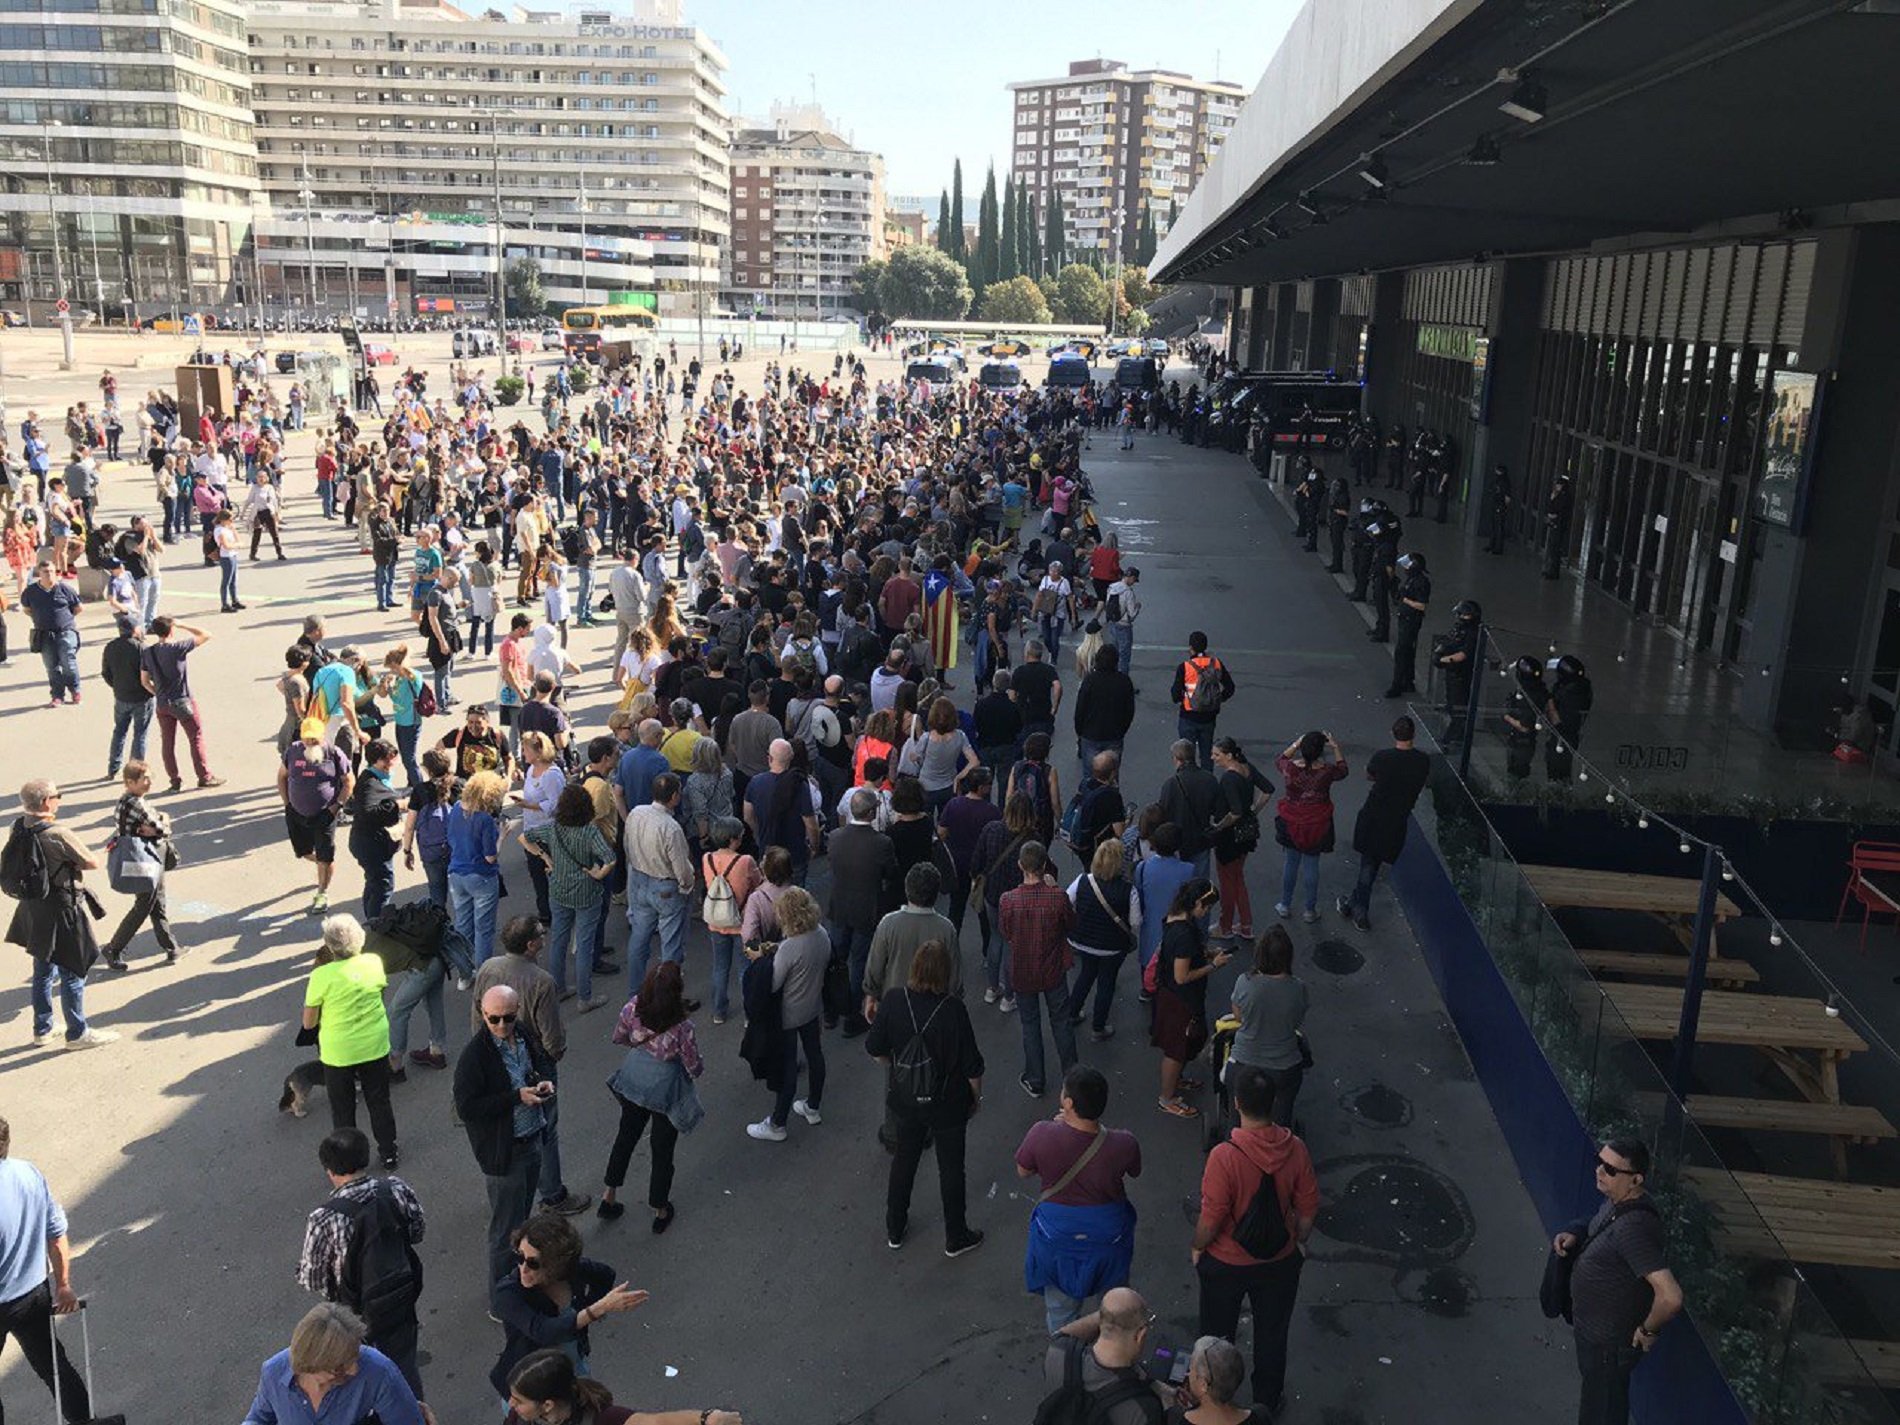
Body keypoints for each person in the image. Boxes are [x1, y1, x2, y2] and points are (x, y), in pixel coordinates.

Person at [1192, 1065, 1320, 1417]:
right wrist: (1298, 1242)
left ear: (1236, 1103)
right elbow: (1308, 1207)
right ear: (1275, 1102)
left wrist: (1198, 1247)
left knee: (1216, 1338)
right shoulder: (1296, 1149)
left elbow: (1211, 1218)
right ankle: (1266, 1400)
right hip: (1279, 1264)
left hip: (1226, 1263)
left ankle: (1216, 1399)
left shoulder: (1224, 1156)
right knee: (1272, 1334)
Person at [863, 938, 985, 1255]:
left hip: (906, 1098)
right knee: (951, 1168)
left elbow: (874, 1048)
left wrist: (897, 1065)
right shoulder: (954, 1010)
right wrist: (975, 1100)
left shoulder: (893, 1000)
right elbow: (972, 1065)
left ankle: (895, 1226)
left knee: (904, 1161)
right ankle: (956, 1235)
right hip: (948, 1103)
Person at [1552, 1138, 1685, 1425]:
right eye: (1599, 1162)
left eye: (1611, 1170)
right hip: (1594, 1338)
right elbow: (1600, 1227)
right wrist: (1577, 1232)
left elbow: (1671, 1297)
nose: (1600, 1171)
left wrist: (1648, 1331)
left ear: (1636, 1180)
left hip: (1607, 1348)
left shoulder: (1633, 1229)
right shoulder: (1616, 1202)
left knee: (1602, 1413)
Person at [296, 1128, 426, 1398]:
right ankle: (414, 1410)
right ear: (365, 1157)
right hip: (401, 1296)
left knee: (357, 1372)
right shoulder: (395, 1189)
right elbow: (417, 1232)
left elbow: (314, 1279)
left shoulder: (324, 1218)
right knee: (404, 1365)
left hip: (352, 1311)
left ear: (329, 1170)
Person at [1016, 1064, 1142, 1334]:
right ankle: (1115, 1356)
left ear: (1068, 1103)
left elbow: (1023, 1170)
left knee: (1062, 1313)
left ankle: (1065, 1360)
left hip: (1059, 1241)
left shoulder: (1041, 1133)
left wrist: (1058, 1130)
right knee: (1115, 1308)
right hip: (1110, 1240)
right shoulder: (1124, 1143)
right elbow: (1134, 1170)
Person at [456, 982, 560, 1303]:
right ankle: (502, 1300)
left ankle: (522, 1280)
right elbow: (468, 1107)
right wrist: (515, 1097)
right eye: (494, 1019)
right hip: (506, 1152)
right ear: (483, 1015)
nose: (502, 1025)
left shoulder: (523, 1033)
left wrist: (543, 1080)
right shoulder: (475, 1056)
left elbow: (542, 1061)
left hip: (531, 1139)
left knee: (522, 1223)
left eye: (508, 1017)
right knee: (505, 1233)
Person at [0, 1115, 108, 1422]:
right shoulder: (28, 1173)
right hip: (33, 1295)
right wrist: (63, 1284)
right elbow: (56, 1233)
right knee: (55, 1370)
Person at [490, 1212, 648, 1400]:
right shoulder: (508, 1292)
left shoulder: (573, 1271)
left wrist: (589, 1308)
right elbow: (543, 1331)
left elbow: (605, 1275)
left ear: (555, 1265)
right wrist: (595, 1309)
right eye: (520, 1256)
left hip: (572, 1365)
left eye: (533, 1263)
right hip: (531, 1385)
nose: (523, 1268)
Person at [7, 780, 116, 1048]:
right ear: (45, 802)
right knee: (72, 969)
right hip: (62, 907)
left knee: (43, 968)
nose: (59, 800)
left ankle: (42, 1028)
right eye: (57, 795)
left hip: (33, 905)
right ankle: (77, 1032)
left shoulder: (18, 826)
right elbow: (91, 862)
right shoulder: (58, 833)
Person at [600, 961, 704, 1230]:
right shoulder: (683, 1026)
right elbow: (694, 1066)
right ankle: (659, 1208)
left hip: (634, 1079)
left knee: (626, 1137)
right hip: (665, 1089)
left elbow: (620, 1037)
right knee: (662, 1149)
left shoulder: (633, 1007)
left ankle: (609, 1195)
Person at [302, 914, 400, 1169]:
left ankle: (349, 1162)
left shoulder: (320, 976)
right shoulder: (374, 963)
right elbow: (379, 990)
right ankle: (389, 1152)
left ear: (329, 945)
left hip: (338, 1052)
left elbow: (308, 1023)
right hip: (374, 1044)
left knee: (343, 1110)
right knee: (379, 1101)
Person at [239, 1302, 425, 1425]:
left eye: (355, 1355)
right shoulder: (273, 1373)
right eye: (340, 1367)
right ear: (311, 1365)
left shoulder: (379, 1371)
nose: (354, 1370)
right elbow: (260, 1417)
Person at [744, 885, 830, 1143]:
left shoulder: (790, 947)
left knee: (788, 1068)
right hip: (813, 1007)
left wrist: (760, 958)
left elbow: (772, 984)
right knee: (815, 1056)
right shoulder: (822, 934)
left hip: (788, 1014)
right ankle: (813, 1106)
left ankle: (778, 1122)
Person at [526, 782, 615, 1012]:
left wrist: (545, 857)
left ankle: (559, 988)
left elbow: (525, 837)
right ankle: (585, 998)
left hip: (558, 889)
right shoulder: (590, 831)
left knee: (559, 940)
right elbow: (610, 857)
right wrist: (598, 873)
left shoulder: (553, 828)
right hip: (587, 891)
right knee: (584, 945)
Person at [1337, 716, 1431, 932]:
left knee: (1368, 865)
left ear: (1393, 733)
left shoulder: (1383, 758)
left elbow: (1370, 774)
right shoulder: (1422, 761)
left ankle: (1359, 909)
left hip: (1374, 815)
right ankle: (1353, 903)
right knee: (1373, 863)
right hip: (1396, 820)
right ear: (1413, 735)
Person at [1001, 840, 1078, 1099]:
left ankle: (1035, 1079)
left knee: (1030, 1024)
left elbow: (1006, 932)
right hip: (1053, 968)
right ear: (1044, 865)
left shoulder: (1008, 900)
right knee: (1061, 1022)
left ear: (1021, 865)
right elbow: (1070, 924)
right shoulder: (1058, 898)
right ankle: (1072, 1076)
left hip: (1023, 971)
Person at [503, 1348, 743, 1425]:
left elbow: (653, 1422)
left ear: (547, 1404)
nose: (511, 1404)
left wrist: (707, 1418)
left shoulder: (602, 1418)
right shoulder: (518, 1418)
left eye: (519, 1399)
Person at [1153, 878, 1229, 1119]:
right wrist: (1213, 966)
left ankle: (1177, 1080)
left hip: (1171, 996)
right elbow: (1182, 976)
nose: (1206, 912)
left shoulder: (1175, 918)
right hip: (1181, 1000)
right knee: (1177, 1049)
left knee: (1184, 1043)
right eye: (1205, 907)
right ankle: (1167, 1098)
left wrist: (1205, 953)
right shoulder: (1185, 933)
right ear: (1196, 902)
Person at [826, 790, 900, 1035]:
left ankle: (832, 1009)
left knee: (837, 960)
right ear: (871, 812)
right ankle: (852, 1015)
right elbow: (891, 873)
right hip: (867, 910)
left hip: (840, 906)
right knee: (859, 962)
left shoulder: (835, 837)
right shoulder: (881, 843)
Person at [1039, 1286, 1167, 1425]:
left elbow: (1064, 1333)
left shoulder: (1059, 1353)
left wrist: (1109, 1315)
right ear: (1140, 1336)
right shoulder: (1141, 1410)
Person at [101, 760, 181, 970]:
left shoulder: (126, 800)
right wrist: (165, 823)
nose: (149, 782)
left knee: (156, 902)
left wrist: (157, 825)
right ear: (130, 782)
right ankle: (114, 947)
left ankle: (171, 947)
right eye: (144, 779)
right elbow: (161, 827)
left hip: (140, 857)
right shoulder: (137, 803)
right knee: (145, 904)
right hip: (146, 858)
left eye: (149, 777)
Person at [1226, 927, 1307, 1128]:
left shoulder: (1245, 983)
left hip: (1245, 1062)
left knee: (1237, 1123)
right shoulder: (1298, 988)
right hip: (1285, 1067)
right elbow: (1296, 1022)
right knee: (1281, 1119)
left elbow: (1238, 1016)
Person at [623, 772, 695, 994]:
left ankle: (635, 992)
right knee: (671, 945)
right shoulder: (671, 827)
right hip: (664, 887)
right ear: (674, 796)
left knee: (639, 938)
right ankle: (668, 997)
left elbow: (627, 845)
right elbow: (681, 868)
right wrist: (686, 887)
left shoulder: (635, 813)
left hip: (638, 879)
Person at [1061, 837, 1136, 1041]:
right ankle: (1098, 1027)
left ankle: (1073, 1012)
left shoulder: (1083, 881)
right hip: (1112, 946)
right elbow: (1136, 921)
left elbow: (1066, 902)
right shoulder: (1129, 890)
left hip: (1082, 940)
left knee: (1086, 974)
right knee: (1106, 983)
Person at [139, 614, 224, 791]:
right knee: (196, 737)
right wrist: (183, 624)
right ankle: (204, 776)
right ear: (171, 630)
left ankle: (175, 780)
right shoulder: (178, 648)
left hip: (163, 704)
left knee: (168, 743)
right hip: (183, 700)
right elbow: (206, 634)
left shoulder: (148, 652)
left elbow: (145, 681)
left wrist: (159, 694)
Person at [1271, 732, 1348, 924]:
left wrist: (1296, 743)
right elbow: (1343, 770)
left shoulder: (1290, 769)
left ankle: (1285, 904)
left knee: (1291, 863)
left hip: (1291, 821)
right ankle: (1309, 910)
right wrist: (1336, 747)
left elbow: (1280, 759)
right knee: (1311, 865)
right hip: (1318, 823)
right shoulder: (1327, 772)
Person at [1207, 739, 1273, 943]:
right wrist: (1253, 811)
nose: (1213, 758)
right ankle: (1245, 925)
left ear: (1228, 755)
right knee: (1238, 879)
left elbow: (1234, 812)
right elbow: (1268, 790)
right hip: (1246, 835)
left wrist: (1219, 826)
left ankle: (1225, 926)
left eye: (1217, 754)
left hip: (1230, 838)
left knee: (1227, 882)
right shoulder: (1246, 767)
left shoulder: (1228, 778)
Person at [448, 769, 509, 965]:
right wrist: (502, 836)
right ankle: (484, 970)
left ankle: (465, 973)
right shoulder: (484, 819)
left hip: (457, 874)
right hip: (481, 876)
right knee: (483, 927)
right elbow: (490, 857)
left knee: (463, 924)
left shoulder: (456, 808)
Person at [348, 739, 405, 922]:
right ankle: (376, 926)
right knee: (383, 886)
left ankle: (370, 920)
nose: (392, 764)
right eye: (387, 760)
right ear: (376, 761)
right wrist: (398, 805)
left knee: (373, 883)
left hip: (370, 844)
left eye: (393, 759)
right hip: (371, 846)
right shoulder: (369, 783)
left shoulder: (377, 778)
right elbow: (367, 811)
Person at [20, 560, 81, 706]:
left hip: (65, 632)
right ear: (39, 574)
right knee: (51, 667)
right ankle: (57, 695)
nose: (49, 575)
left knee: (68, 663)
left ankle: (75, 690)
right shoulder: (31, 592)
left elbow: (78, 608)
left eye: (52, 572)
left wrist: (64, 620)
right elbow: (27, 609)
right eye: (46, 572)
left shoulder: (65, 589)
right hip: (44, 634)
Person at [1158, 738, 1222, 879]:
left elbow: (1163, 812)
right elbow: (1217, 810)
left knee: (1180, 884)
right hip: (1201, 839)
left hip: (1178, 842)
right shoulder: (1209, 779)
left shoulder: (1171, 784)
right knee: (1200, 883)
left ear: (1177, 759)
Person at [1171, 631, 1234, 769]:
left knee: (1186, 755)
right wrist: (1218, 699)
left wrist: (1184, 697)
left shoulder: (1185, 667)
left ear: (1191, 647)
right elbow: (1230, 688)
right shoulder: (1216, 663)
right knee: (1207, 755)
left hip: (1188, 716)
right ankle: (1207, 784)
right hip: (1209, 717)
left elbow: (1175, 696)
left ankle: (1187, 784)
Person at [100, 615, 153, 779]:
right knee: (140, 734)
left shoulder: (110, 647)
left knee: (119, 732)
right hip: (142, 697)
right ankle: (135, 772)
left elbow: (106, 673)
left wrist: (116, 686)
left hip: (121, 696)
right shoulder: (142, 648)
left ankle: (113, 767)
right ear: (135, 629)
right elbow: (150, 673)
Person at [1073, 645, 1136, 782]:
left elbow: (1080, 709)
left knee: (1090, 777)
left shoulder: (1090, 680)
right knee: (1111, 776)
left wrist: (1080, 731)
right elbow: (1129, 711)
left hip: (1091, 734)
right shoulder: (1124, 682)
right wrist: (1121, 730)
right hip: (1114, 735)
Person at [1171, 1334, 1264, 1424]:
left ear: (1203, 1385)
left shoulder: (1176, 1419)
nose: (1188, 1374)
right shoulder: (1260, 1416)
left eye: (1191, 1369)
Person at [1383, 551, 1431, 698]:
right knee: (1408, 651)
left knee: (1402, 652)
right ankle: (1408, 681)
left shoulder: (1421, 582)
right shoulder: (1412, 579)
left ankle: (1397, 685)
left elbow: (1422, 605)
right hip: (1405, 618)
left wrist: (1405, 600)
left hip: (1411, 621)